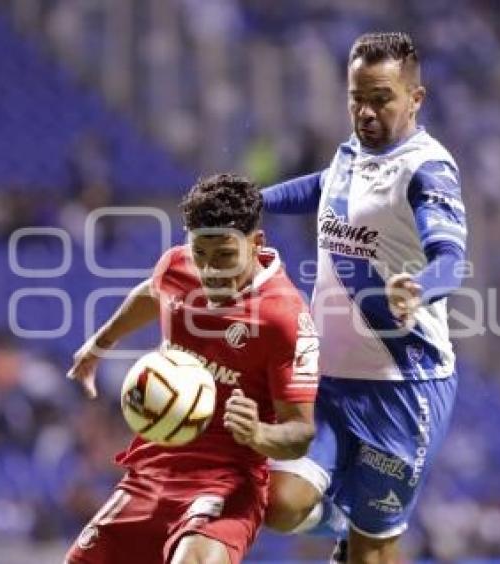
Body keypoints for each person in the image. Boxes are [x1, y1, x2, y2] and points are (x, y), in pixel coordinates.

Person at [260, 32, 467, 562]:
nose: (366, 112)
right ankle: (345, 522)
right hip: (328, 380)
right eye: (356, 97)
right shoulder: (352, 151)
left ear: (415, 99)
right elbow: (326, 186)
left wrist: (422, 287)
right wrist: (252, 200)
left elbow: (450, 257)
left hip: (401, 390)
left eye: (381, 98)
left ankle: (361, 532)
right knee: (280, 503)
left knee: (374, 551)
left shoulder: (428, 170)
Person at [66, 173, 320, 564]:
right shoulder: (177, 266)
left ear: (257, 244)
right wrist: (100, 344)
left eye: (225, 257)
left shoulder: (284, 317)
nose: (210, 271)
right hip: (150, 472)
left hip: (227, 483)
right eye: (200, 253)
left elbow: (300, 433)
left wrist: (259, 433)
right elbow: (153, 292)